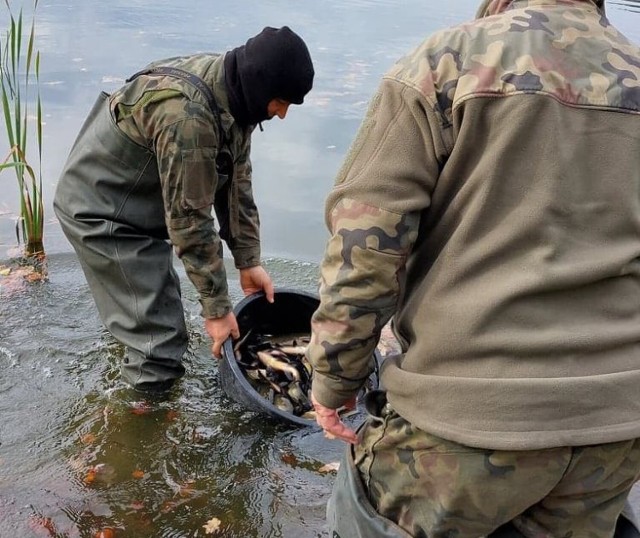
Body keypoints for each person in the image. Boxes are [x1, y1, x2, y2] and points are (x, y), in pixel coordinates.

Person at [306, 0, 640, 536]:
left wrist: (333, 380)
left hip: (467, 422)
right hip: (617, 426)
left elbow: (366, 246)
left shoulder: (446, 62)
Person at [53, 26, 314, 393]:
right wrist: (218, 309)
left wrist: (248, 259)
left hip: (137, 207)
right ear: (261, 84)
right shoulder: (188, 118)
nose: (283, 114)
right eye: (282, 102)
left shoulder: (235, 92)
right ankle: (142, 424)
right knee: (160, 347)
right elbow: (190, 221)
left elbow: (237, 177)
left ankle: (139, 355)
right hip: (102, 214)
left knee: (161, 315)